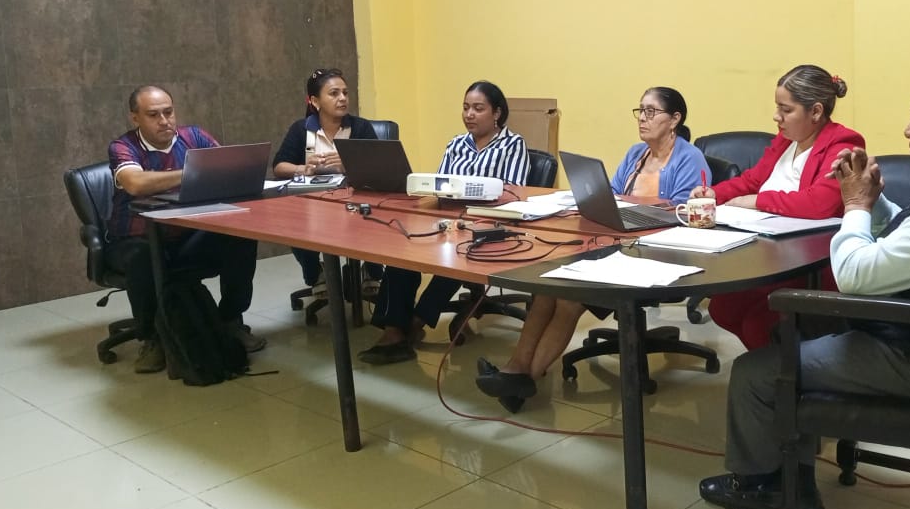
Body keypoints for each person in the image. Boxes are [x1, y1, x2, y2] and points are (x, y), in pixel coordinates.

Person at [698, 71, 910, 509]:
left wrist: (854, 205)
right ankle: (793, 475)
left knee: (756, 372)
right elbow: (909, 238)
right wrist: (875, 201)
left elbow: (855, 276)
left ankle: (764, 489)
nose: (907, 129)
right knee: (782, 333)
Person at [473, 86, 709, 412]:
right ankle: (516, 371)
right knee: (547, 286)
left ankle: (525, 378)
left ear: (674, 119)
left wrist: (631, 215)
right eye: (640, 110)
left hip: (658, 254)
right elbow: (611, 194)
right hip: (620, 242)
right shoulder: (635, 154)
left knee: (568, 299)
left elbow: (681, 213)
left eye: (651, 112)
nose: (642, 118)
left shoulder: (689, 158)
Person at [691, 65, 864, 350]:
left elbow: (819, 203)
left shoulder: (843, 142)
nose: (776, 116)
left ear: (816, 112)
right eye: (777, 107)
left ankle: (779, 370)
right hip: (767, 247)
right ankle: (768, 363)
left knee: (759, 323)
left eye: (785, 109)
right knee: (723, 307)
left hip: (808, 259)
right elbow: (753, 179)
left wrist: (758, 201)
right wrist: (714, 193)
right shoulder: (786, 139)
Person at [358, 80, 530, 365]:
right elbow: (439, 186)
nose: (469, 114)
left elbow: (513, 193)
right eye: (465, 108)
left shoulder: (513, 144)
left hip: (488, 224)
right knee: (404, 248)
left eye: (478, 108)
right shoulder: (456, 144)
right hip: (447, 219)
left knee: (458, 254)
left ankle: (415, 322)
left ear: (497, 113)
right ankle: (393, 328)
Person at [104, 86, 266, 374]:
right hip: (134, 238)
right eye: (153, 115)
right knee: (143, 258)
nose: (164, 121)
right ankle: (152, 338)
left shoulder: (194, 138)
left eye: (168, 112)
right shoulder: (123, 146)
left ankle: (230, 320)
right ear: (135, 118)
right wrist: (192, 171)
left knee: (239, 238)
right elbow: (135, 183)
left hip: (184, 235)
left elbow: (225, 167)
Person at [272, 68, 384, 294]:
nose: (342, 98)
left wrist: (348, 164)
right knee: (293, 224)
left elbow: (380, 167)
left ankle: (372, 272)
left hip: (354, 203)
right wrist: (302, 168)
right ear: (315, 101)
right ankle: (316, 274)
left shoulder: (360, 127)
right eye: (334, 93)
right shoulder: (301, 129)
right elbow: (279, 166)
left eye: (345, 93)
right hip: (313, 204)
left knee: (376, 216)